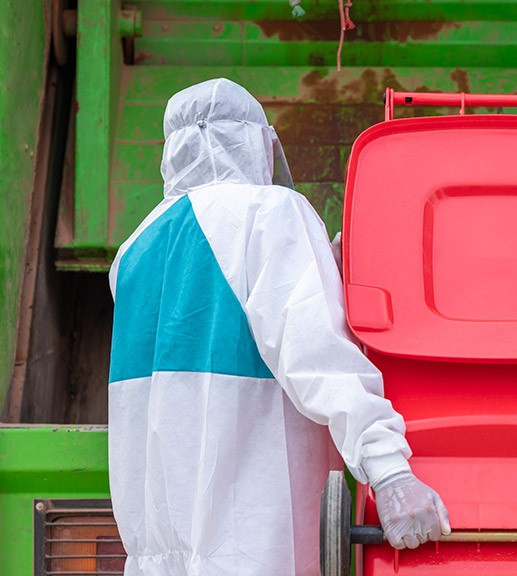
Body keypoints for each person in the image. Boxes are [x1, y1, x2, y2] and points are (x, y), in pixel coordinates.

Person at [108, 78, 449, 575]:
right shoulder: (267, 214)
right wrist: (389, 469)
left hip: (158, 553)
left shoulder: (133, 252)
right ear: (256, 141)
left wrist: (322, 272)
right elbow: (317, 357)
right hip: (251, 542)